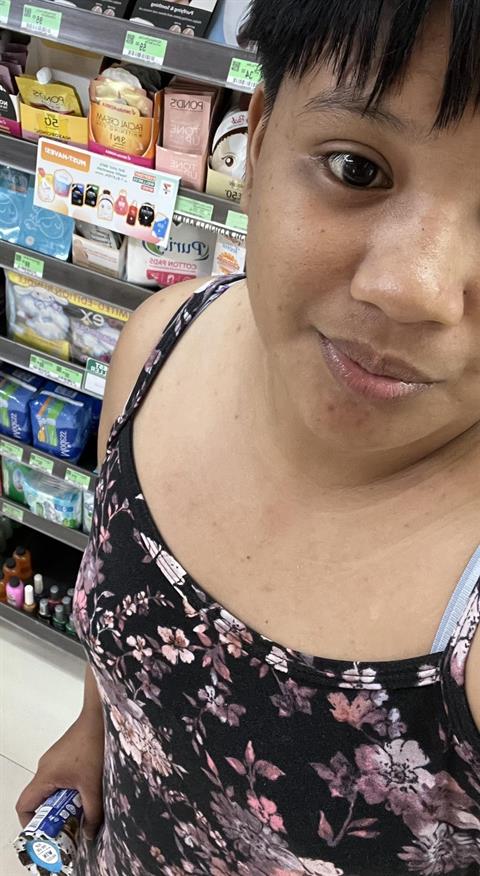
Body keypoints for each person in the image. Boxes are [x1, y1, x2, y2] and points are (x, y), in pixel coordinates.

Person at [16, 1, 480, 873]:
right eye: (356, 167)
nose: (410, 287)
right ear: (260, 139)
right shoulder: (160, 342)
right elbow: (124, 615)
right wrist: (93, 732)